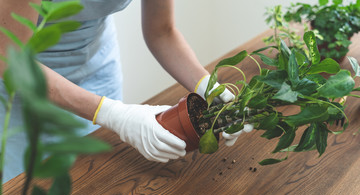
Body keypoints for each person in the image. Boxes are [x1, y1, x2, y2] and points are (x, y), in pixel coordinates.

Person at [0, 0, 253, 182]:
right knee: (26, 191)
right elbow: (8, 57)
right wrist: (112, 114)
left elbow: (162, 32)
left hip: (95, 64)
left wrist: (206, 87)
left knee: (92, 178)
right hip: (21, 81)